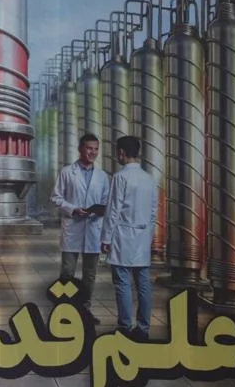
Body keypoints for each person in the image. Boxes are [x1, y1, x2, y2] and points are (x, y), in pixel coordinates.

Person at [102, 135, 157, 340]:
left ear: (122, 153)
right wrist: (148, 236)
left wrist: (106, 238)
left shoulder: (120, 177)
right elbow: (153, 212)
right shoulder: (148, 178)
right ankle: (143, 329)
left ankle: (125, 326)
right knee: (143, 283)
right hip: (143, 235)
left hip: (123, 236)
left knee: (123, 283)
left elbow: (113, 210)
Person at [52, 134, 109, 296]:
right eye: (89, 148)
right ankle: (64, 310)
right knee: (67, 273)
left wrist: (99, 210)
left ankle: (85, 310)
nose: (93, 152)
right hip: (72, 228)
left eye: (96, 149)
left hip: (93, 228)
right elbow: (55, 197)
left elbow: (106, 202)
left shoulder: (102, 176)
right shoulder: (67, 172)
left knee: (90, 274)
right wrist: (73, 209)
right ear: (80, 149)